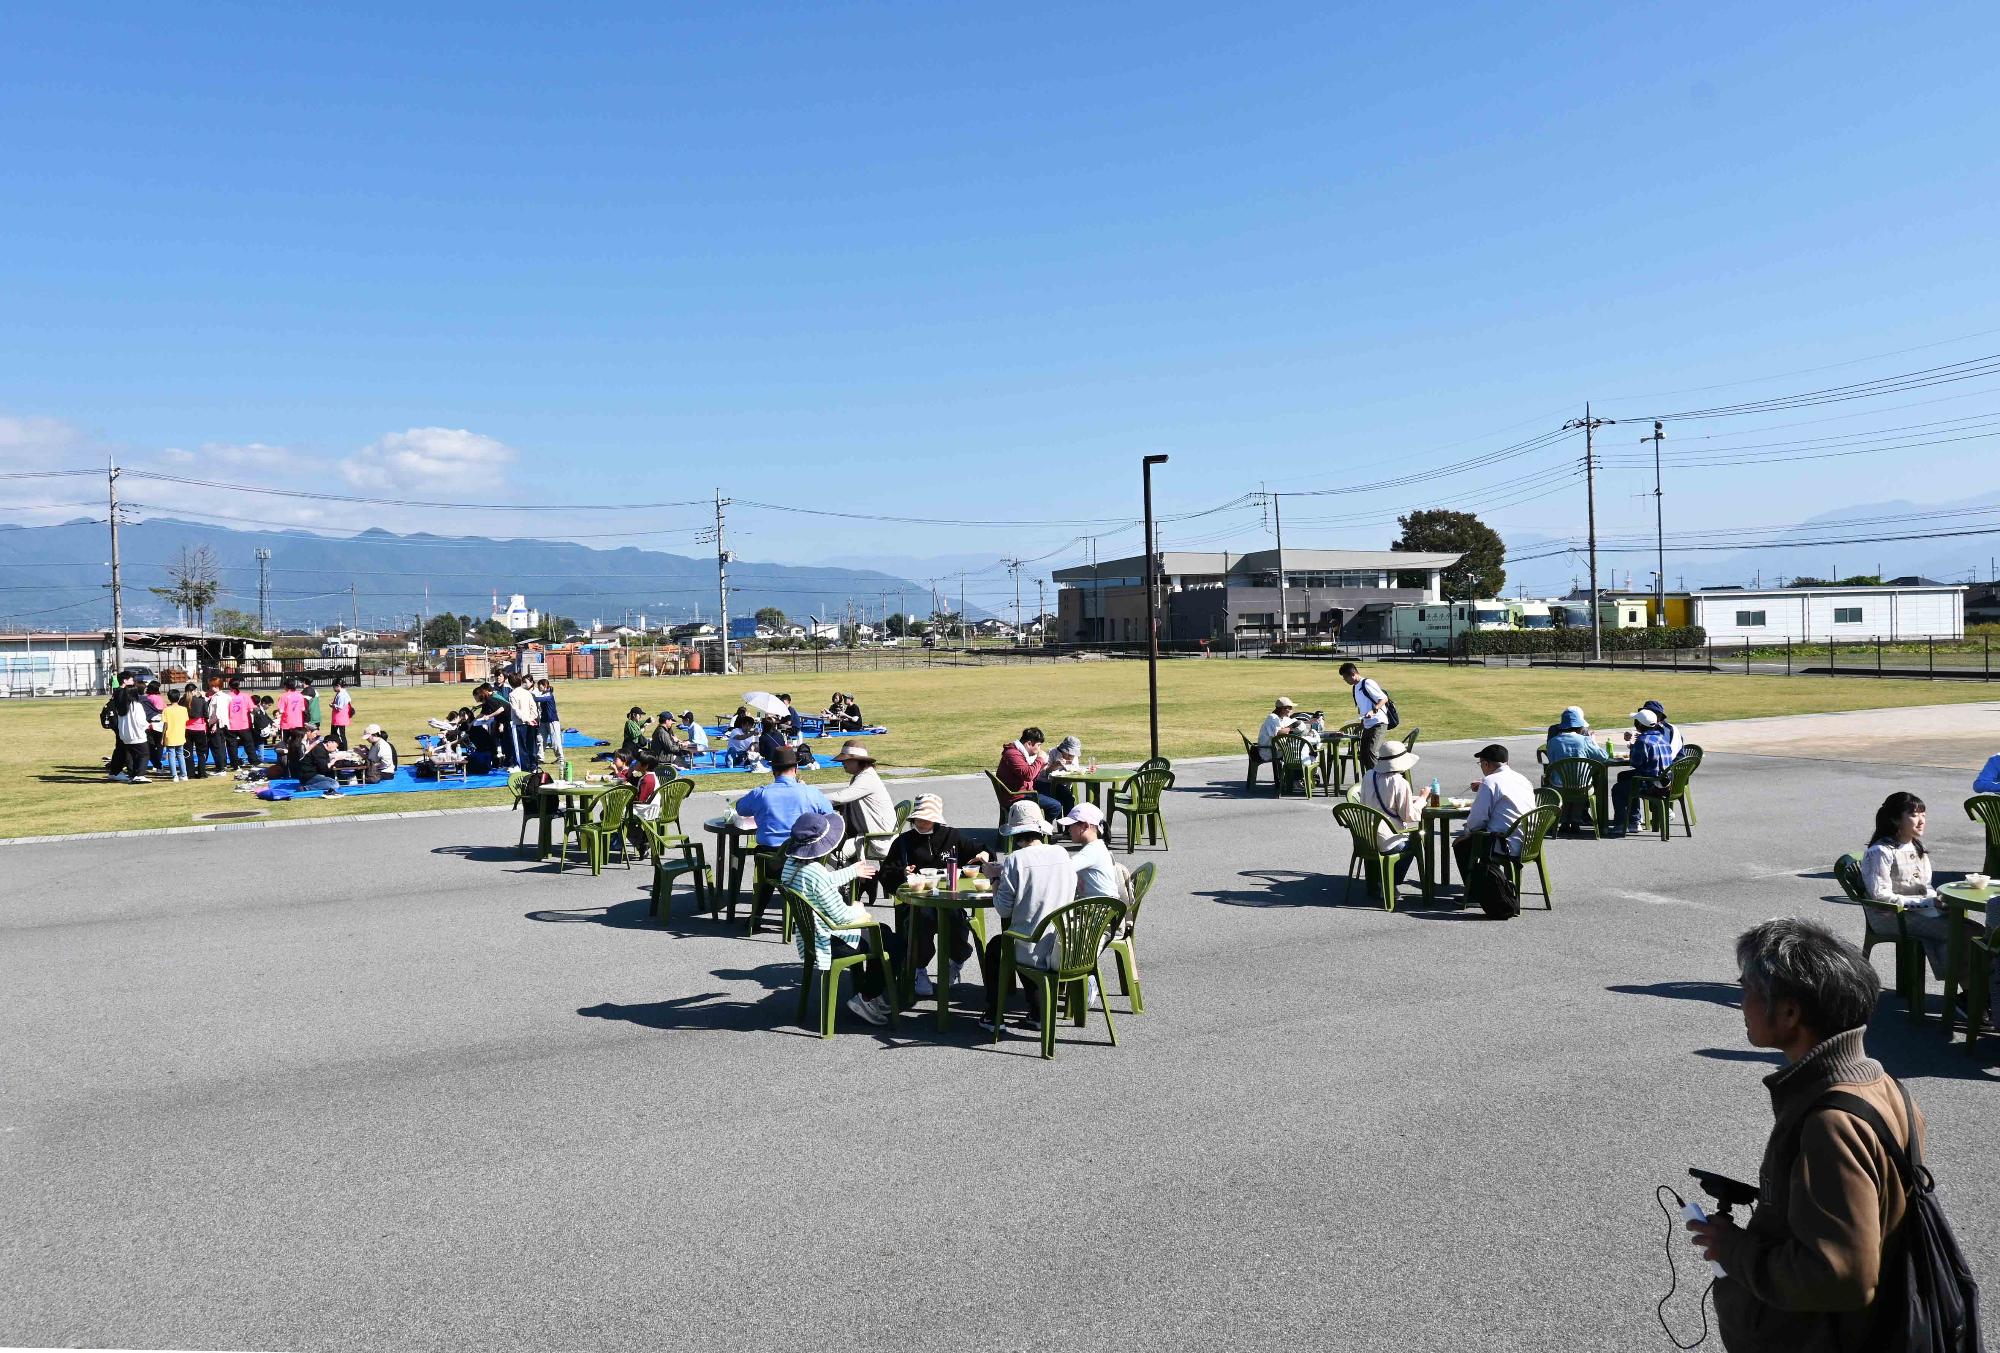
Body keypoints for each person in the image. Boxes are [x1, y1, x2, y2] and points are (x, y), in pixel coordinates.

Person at [1687, 917, 1924, 1353]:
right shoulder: (1882, 1084)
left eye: (1747, 991)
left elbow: (1841, 1275)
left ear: (1791, 1012)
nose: (1741, 1004)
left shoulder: (1830, 1123)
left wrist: (1734, 1250)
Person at [779, 811, 897, 1025]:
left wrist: (851, 871)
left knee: (883, 932)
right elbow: (841, 916)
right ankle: (867, 997)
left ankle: (870, 993)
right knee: (892, 942)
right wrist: (858, 908)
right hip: (831, 940)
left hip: (811, 937)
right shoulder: (815, 872)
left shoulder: (792, 865)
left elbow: (820, 884)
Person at [881, 794, 991, 997]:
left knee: (956, 921)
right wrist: (902, 873)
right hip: (917, 902)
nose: (923, 822)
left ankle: (957, 959)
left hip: (949, 899)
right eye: (919, 818)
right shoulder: (903, 842)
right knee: (923, 920)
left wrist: (984, 855)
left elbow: (983, 851)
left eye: (928, 818)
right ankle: (919, 968)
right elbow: (886, 874)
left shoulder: (952, 837)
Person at [982, 801, 1079, 1030]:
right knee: (1023, 938)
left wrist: (995, 878)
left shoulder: (1017, 859)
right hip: (1062, 940)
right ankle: (1037, 1011)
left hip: (1033, 945)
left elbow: (1003, 909)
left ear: (1016, 835)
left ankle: (994, 1013)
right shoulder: (1061, 853)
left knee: (999, 946)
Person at [1858, 791, 1951, 979]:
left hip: (1917, 912)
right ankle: (1965, 989)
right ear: (1895, 819)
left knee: (1972, 930)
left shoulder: (1916, 846)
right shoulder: (1880, 852)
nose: (1921, 820)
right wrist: (1927, 903)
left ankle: (1969, 989)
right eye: (1914, 815)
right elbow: (1880, 896)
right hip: (1890, 916)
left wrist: (1937, 900)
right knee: (1959, 933)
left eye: (1923, 815)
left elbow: (1926, 886)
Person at [1452, 743, 1536, 879]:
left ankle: (1474, 893)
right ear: (1506, 762)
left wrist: (1467, 831)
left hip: (1505, 844)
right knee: (1483, 832)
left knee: (1461, 844)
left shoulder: (1489, 782)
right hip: (1530, 841)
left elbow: (1476, 822)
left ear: (1486, 764)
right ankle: (1492, 883)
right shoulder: (1523, 779)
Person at [736, 746, 834, 849]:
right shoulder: (811, 792)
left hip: (769, 858)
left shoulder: (760, 794)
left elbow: (740, 809)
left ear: (773, 771)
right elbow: (830, 815)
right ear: (796, 769)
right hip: (803, 855)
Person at [1358, 739, 1424, 887]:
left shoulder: (1369, 775)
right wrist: (1422, 799)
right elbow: (1408, 816)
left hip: (1365, 837)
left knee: (1389, 842)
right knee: (1415, 843)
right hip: (1388, 840)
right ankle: (1390, 882)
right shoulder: (1400, 783)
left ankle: (1375, 881)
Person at [1609, 707, 1677, 836]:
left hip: (1650, 784)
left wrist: (1632, 746)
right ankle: (1634, 821)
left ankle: (1620, 824)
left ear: (1639, 724)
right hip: (1666, 783)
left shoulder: (1642, 741)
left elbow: (1635, 763)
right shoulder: (1662, 738)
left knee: (1618, 789)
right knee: (1623, 777)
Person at [824, 740, 896, 862]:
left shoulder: (867, 778)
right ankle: (858, 877)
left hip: (878, 838)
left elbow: (841, 797)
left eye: (845, 760)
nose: (842, 763)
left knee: (833, 854)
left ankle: (860, 877)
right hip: (871, 833)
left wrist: (813, 797)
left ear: (857, 760)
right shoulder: (862, 775)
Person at [997, 726, 1062, 818]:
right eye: (1038, 745)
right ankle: (1042, 830)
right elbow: (1028, 775)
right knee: (1055, 806)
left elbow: (1031, 777)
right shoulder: (1013, 754)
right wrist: (1039, 759)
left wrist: (1041, 766)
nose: (1039, 749)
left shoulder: (1019, 753)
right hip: (1017, 796)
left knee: (1058, 792)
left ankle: (1042, 828)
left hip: (1023, 791)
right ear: (1029, 743)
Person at [1339, 662, 1392, 770]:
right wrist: (1361, 725)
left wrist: (1374, 710)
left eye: (1345, 677)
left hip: (1378, 723)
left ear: (1352, 674)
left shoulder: (1367, 683)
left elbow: (1384, 698)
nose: (1345, 680)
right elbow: (1362, 708)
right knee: (1363, 754)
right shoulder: (1355, 688)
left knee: (1371, 752)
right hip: (1368, 725)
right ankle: (1368, 779)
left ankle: (1378, 779)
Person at [1037, 735, 1084, 814]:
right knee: (1068, 798)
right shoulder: (1052, 752)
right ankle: (1064, 824)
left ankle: (1068, 824)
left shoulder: (1073, 757)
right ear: (1063, 750)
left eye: (1072, 755)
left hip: (1063, 784)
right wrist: (1055, 765)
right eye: (1069, 754)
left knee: (1069, 798)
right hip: (1047, 783)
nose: (1070, 756)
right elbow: (1044, 773)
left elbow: (1075, 769)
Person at [292, 727, 343, 796]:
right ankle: (307, 788)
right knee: (334, 784)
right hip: (308, 776)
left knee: (332, 780)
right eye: (336, 746)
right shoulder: (319, 750)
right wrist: (335, 759)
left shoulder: (321, 749)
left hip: (311, 774)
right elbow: (324, 768)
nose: (336, 748)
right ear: (329, 742)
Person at [506, 674, 541, 772]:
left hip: (519, 724)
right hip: (531, 723)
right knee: (531, 746)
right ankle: (533, 767)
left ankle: (525, 770)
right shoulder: (527, 693)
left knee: (520, 749)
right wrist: (533, 718)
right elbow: (533, 707)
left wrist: (527, 720)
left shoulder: (512, 694)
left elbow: (516, 710)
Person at [275, 678, 308, 775]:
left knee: (284, 744)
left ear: (286, 686)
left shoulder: (284, 696)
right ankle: (297, 762)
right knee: (297, 743)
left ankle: (285, 766)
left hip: (286, 723)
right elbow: (302, 708)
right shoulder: (300, 695)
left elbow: (280, 711)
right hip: (297, 723)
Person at [160, 689, 190, 782]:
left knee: (171, 755)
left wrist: (162, 737)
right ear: (178, 698)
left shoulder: (166, 710)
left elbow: (165, 725)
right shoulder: (183, 709)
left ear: (169, 698)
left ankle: (174, 775)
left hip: (170, 735)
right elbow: (185, 721)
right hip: (180, 734)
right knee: (180, 754)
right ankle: (184, 774)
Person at [181, 682, 210, 779]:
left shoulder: (182, 701)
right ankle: (202, 772)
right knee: (201, 752)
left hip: (186, 729)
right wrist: (202, 698)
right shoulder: (201, 701)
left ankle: (190, 773)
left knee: (187, 752)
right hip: (199, 728)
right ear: (194, 691)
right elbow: (206, 715)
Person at [225, 679, 254, 768]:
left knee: (232, 746)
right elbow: (251, 709)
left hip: (231, 724)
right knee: (248, 744)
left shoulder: (227, 697)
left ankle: (235, 764)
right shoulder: (245, 696)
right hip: (243, 723)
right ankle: (254, 761)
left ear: (229, 686)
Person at [535, 678, 561, 761]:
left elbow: (538, 699)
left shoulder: (549, 694)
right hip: (543, 721)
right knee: (540, 740)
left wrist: (529, 695)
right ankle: (540, 758)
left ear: (545, 685)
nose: (538, 687)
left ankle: (560, 758)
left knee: (555, 741)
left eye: (539, 685)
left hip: (552, 721)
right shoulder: (543, 694)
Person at [328, 678, 354, 749]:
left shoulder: (342, 695)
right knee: (335, 735)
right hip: (337, 719)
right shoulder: (341, 693)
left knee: (340, 735)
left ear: (338, 686)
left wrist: (333, 705)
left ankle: (343, 750)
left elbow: (340, 707)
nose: (333, 688)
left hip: (340, 719)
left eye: (334, 686)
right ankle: (337, 748)